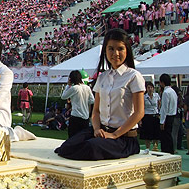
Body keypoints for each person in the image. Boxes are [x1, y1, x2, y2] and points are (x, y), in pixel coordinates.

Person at [55, 28, 145, 160]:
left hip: (123, 138)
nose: (116, 53)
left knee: (91, 147)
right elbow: (96, 111)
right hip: (102, 132)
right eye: (111, 49)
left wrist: (115, 135)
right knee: (67, 146)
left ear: (127, 50)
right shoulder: (103, 77)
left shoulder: (133, 76)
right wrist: (97, 129)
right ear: (105, 51)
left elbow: (139, 112)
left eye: (120, 48)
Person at [61, 70, 94, 138]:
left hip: (75, 116)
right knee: (84, 137)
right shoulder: (87, 87)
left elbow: (63, 96)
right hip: (85, 117)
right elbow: (92, 100)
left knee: (72, 137)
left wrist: (68, 85)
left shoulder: (74, 88)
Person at [159, 74, 178, 154]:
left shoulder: (166, 92)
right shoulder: (173, 91)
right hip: (172, 114)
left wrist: (162, 121)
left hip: (167, 116)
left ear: (162, 82)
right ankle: (170, 150)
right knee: (169, 135)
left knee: (165, 136)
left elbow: (164, 108)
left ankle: (166, 151)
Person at [140, 81, 160, 152]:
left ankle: (155, 147)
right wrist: (140, 120)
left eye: (151, 87)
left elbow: (159, 105)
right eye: (148, 87)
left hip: (155, 116)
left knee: (156, 134)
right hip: (147, 116)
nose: (150, 89)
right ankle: (147, 148)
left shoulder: (156, 95)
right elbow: (141, 108)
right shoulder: (144, 97)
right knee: (147, 134)